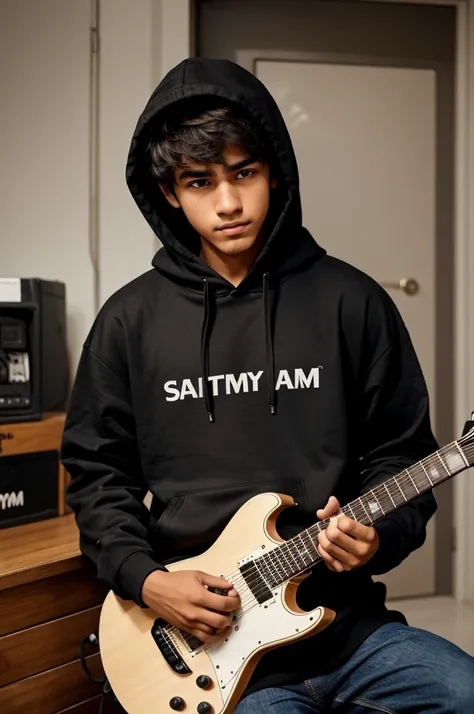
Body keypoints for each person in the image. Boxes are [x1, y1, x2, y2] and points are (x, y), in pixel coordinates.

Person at [61, 57, 474, 713]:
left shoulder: (353, 302)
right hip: (212, 652)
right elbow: (97, 474)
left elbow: (400, 453)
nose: (227, 203)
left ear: (274, 170)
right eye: (199, 182)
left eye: (244, 174)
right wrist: (148, 581)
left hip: (349, 632)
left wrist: (378, 535)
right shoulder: (127, 322)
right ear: (169, 191)